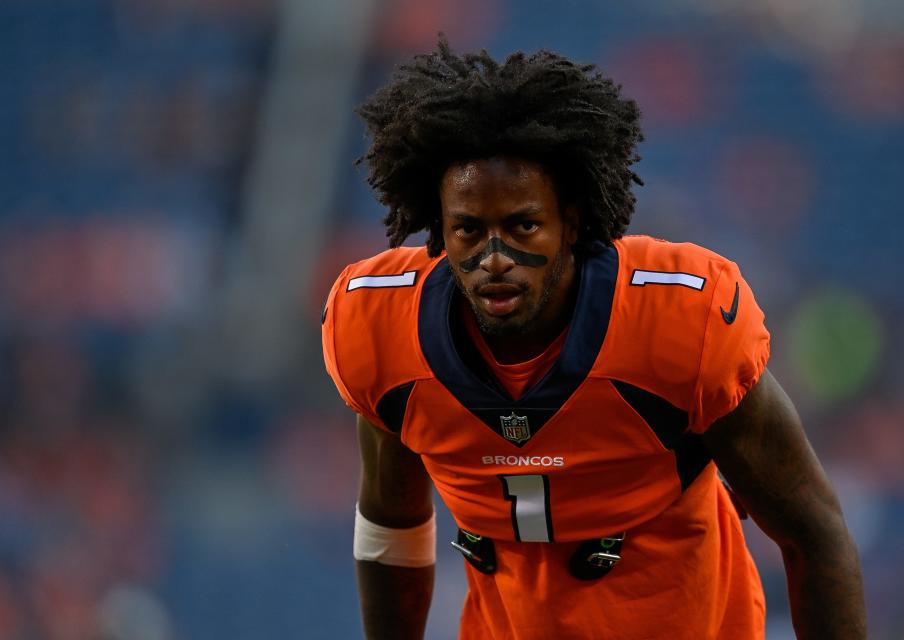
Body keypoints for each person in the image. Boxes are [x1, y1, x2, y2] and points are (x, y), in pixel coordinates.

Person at [322, 39, 866, 640]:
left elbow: (811, 529)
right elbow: (391, 528)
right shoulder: (382, 331)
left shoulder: (679, 324)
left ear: (571, 222)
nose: (494, 257)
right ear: (439, 232)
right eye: (469, 230)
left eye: (522, 224)